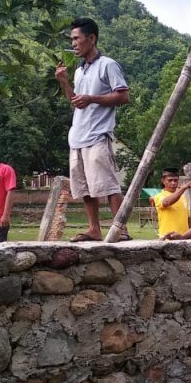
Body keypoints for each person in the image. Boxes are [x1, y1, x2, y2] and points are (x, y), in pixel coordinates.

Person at [54, 17, 130, 242]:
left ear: (92, 38)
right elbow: (76, 102)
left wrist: (92, 98)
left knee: (108, 184)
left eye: (77, 38)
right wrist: (64, 82)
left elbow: (123, 96)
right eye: (72, 39)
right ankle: (94, 229)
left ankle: (121, 229)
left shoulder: (108, 65)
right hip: (77, 136)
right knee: (85, 187)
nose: (73, 43)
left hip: (98, 134)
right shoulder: (79, 70)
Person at [151, 167, 191, 237]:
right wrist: (184, 187)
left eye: (176, 180)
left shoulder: (182, 197)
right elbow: (167, 202)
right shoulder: (159, 196)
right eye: (170, 180)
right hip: (167, 238)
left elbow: (188, 219)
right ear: (163, 181)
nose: (173, 183)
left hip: (183, 238)